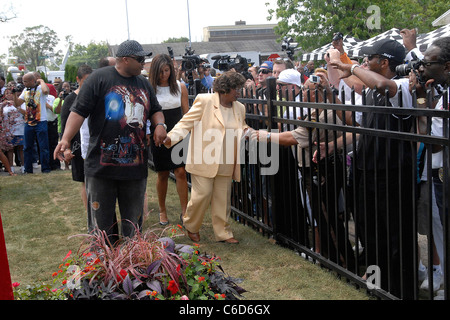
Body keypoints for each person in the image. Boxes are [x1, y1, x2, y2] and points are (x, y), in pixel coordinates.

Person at [54, 40, 166, 246]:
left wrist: (160, 125)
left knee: (134, 230)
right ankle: (103, 270)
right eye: (140, 59)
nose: (143, 63)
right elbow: (78, 112)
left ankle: (133, 270)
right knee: (101, 230)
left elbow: (155, 109)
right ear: (125, 59)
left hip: (135, 167)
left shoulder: (143, 83)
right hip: (101, 167)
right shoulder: (98, 78)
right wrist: (65, 139)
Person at [329, 39, 416, 299]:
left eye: (370, 59)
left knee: (395, 237)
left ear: (385, 62)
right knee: (371, 234)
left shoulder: (401, 88)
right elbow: (359, 88)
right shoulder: (369, 90)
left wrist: (351, 66)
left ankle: (399, 291)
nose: (365, 62)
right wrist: (342, 64)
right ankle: (377, 284)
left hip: (393, 174)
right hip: (366, 171)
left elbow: (381, 84)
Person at [253, 76, 356, 270]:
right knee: (322, 216)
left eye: (307, 90)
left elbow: (294, 137)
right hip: (317, 169)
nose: (303, 93)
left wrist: (264, 136)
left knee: (327, 219)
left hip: (321, 170)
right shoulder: (318, 111)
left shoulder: (323, 114)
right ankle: (332, 258)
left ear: (317, 92)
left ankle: (341, 262)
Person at [163, 71, 250, 244]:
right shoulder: (205, 101)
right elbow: (186, 122)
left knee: (222, 198)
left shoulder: (240, 107)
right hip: (204, 158)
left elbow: (243, 126)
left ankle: (223, 233)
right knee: (202, 195)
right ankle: (191, 225)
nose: (239, 92)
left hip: (226, 159)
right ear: (225, 88)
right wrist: (170, 138)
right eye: (236, 88)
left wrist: (248, 132)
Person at [409, 36, 449, 297]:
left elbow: (432, 142)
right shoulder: (444, 92)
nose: (422, 68)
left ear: (447, 66)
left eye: (428, 63)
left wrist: (422, 100)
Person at [148, 54, 189, 226]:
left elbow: (187, 113)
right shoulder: (150, 89)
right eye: (161, 71)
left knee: (181, 172)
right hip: (158, 133)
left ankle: (185, 211)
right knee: (163, 173)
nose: (164, 74)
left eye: (167, 70)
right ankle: (162, 210)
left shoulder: (180, 87)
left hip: (178, 133)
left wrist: (187, 133)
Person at [60, 65, 93, 210]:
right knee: (84, 181)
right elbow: (64, 125)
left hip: (94, 143)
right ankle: (89, 215)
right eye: (85, 80)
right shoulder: (70, 99)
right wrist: (66, 148)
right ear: (78, 80)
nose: (88, 84)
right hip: (77, 146)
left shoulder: (95, 97)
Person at [13, 72, 51, 174]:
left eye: (25, 81)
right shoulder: (25, 90)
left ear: (32, 81)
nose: (23, 83)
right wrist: (14, 94)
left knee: (43, 147)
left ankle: (46, 169)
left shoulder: (40, 89)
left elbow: (46, 91)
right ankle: (28, 170)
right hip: (28, 121)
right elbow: (17, 103)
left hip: (40, 121)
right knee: (27, 147)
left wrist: (41, 81)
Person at [2, 87, 25, 174]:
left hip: (20, 128)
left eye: (10, 93)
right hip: (8, 130)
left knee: (21, 148)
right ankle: (10, 167)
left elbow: (26, 113)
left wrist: (18, 107)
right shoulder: (3, 105)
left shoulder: (21, 103)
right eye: (7, 93)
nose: (9, 95)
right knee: (10, 149)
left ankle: (23, 166)